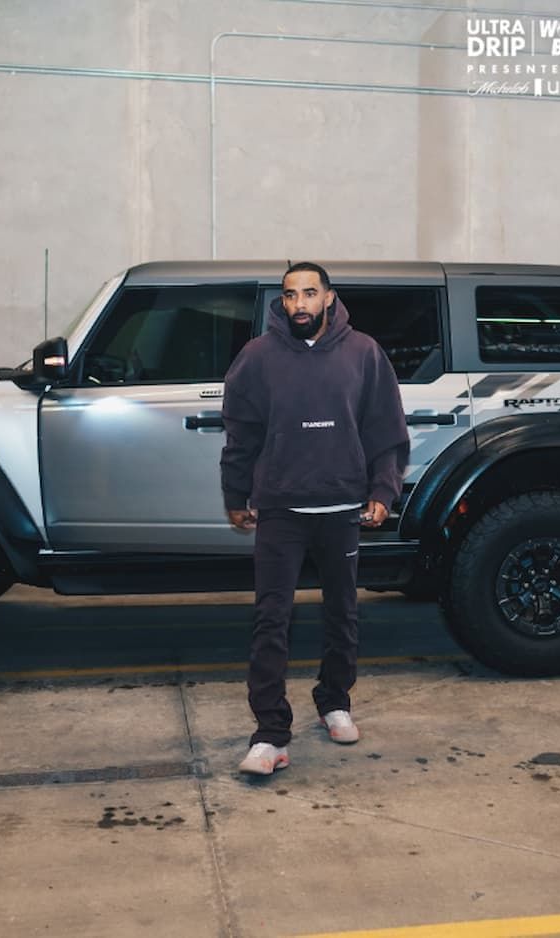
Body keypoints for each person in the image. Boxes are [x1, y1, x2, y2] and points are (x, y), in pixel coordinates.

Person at [220, 262, 409, 775]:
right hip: (280, 508)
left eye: (308, 293)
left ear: (329, 297)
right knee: (270, 619)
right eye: (289, 295)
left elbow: (384, 430)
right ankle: (270, 734)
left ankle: (334, 702)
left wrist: (382, 490)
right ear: (280, 303)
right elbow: (241, 434)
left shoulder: (363, 353)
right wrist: (236, 494)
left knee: (342, 613)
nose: (299, 303)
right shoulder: (257, 358)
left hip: (342, 506)